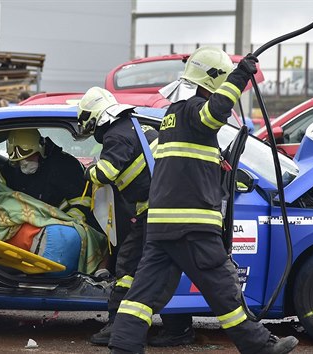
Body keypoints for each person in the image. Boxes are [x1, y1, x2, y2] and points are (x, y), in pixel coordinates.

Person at [108, 47, 299, 354]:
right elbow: (215, 111)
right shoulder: (194, 111)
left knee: (142, 295)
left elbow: (189, 165)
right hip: (192, 225)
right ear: (214, 81)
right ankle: (259, 347)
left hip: (162, 225)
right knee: (224, 289)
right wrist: (240, 76)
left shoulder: (173, 116)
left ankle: (123, 347)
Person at [77, 86, 194, 347]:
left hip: (155, 210)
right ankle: (176, 327)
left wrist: (87, 171)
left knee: (131, 265)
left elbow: (105, 174)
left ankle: (118, 325)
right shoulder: (135, 125)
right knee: (158, 267)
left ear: (95, 118)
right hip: (162, 207)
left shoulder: (115, 136)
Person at [0, 129, 91, 223]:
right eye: (19, 161)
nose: (24, 164)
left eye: (29, 157)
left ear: (41, 150)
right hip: (26, 223)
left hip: (60, 224)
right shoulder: (12, 168)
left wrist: (66, 225)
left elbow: (82, 202)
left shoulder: (65, 166)